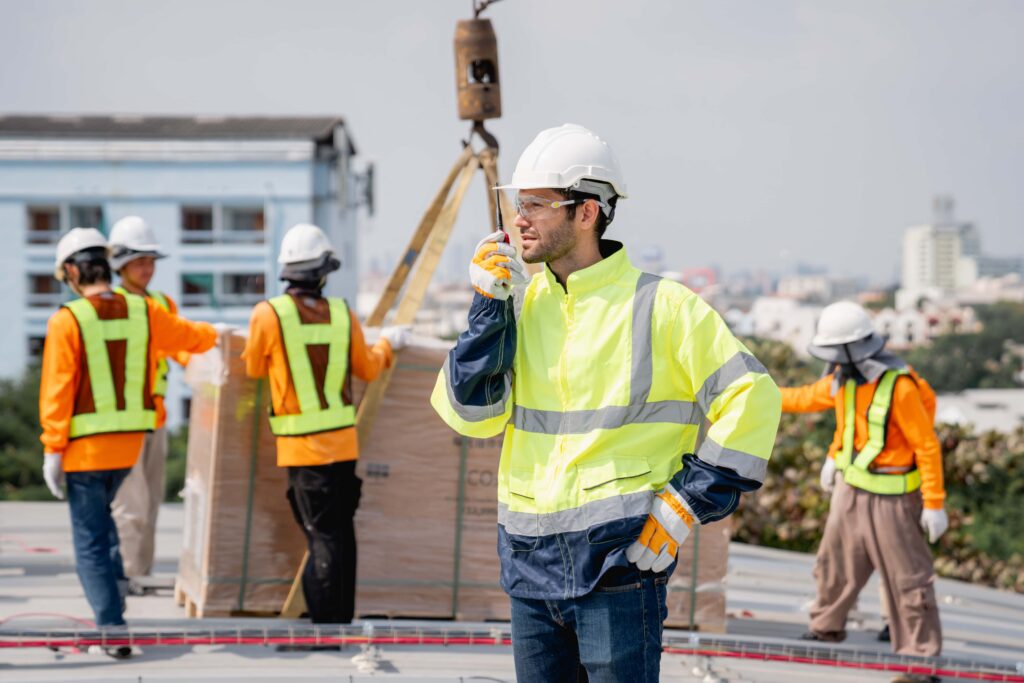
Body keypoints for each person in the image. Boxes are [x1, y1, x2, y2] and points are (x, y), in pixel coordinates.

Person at [431, 124, 781, 681]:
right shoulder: (516, 303)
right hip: (528, 566)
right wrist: (484, 312)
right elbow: (471, 418)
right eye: (516, 204)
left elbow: (753, 396)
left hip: (619, 566)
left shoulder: (662, 306)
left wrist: (686, 504)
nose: (518, 219)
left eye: (537, 205)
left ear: (587, 211)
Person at [39, 227, 218, 655]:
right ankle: (114, 604)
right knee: (108, 532)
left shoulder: (67, 320)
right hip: (129, 448)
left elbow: (57, 391)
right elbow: (196, 339)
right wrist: (216, 331)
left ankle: (112, 629)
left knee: (91, 542)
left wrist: (52, 449)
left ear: (70, 271)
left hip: (85, 453)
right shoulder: (143, 311)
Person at [243, 223, 409, 625]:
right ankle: (329, 614)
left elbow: (251, 367)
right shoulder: (341, 315)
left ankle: (329, 622)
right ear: (323, 272)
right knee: (333, 533)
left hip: (300, 448)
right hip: (341, 446)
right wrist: (388, 343)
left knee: (323, 535)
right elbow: (368, 368)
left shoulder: (268, 315)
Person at [779, 300, 946, 683]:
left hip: (894, 498)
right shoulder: (844, 379)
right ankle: (826, 626)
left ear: (856, 348)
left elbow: (927, 445)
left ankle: (919, 662)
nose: (833, 361)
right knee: (834, 564)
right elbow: (806, 399)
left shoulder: (899, 386)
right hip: (850, 489)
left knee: (908, 579)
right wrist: (835, 456)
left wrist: (934, 504)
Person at [107, 215, 189, 590]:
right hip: (123, 420)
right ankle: (127, 575)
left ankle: (142, 572)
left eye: (151, 261)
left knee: (152, 501)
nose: (148, 268)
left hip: (155, 418)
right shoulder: (111, 305)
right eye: (140, 261)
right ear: (120, 264)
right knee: (130, 505)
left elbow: (179, 346)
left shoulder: (162, 303)